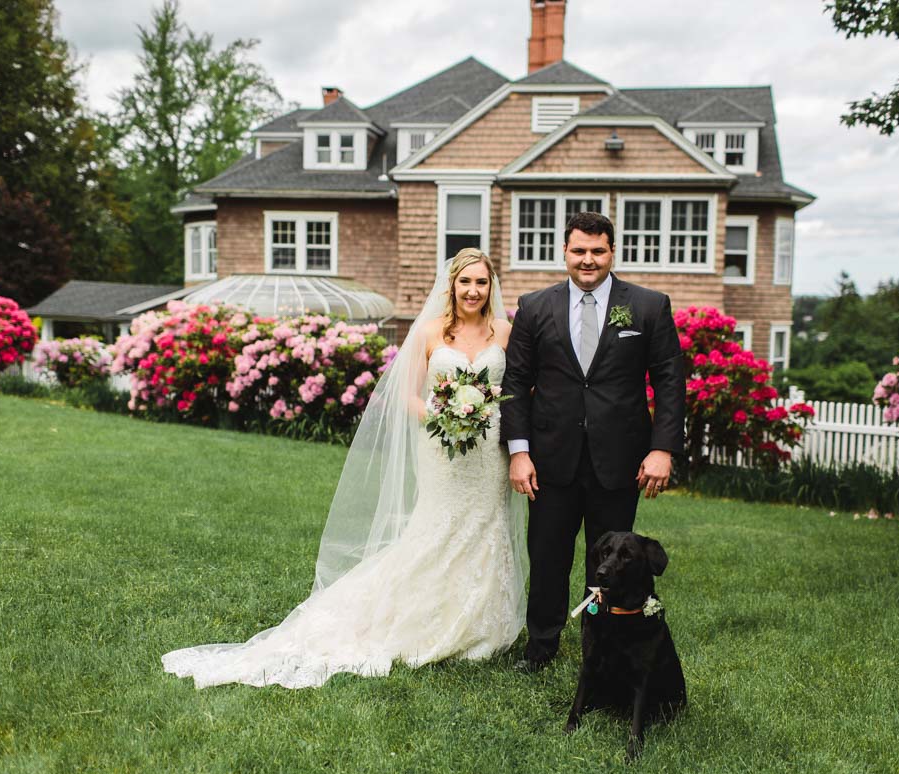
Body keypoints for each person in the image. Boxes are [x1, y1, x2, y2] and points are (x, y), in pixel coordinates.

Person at [162, 249, 526, 689]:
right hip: (442, 449)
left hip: (489, 453)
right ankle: (418, 619)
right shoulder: (430, 332)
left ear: (491, 287)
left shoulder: (506, 333)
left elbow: (521, 391)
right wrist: (442, 414)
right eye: (464, 282)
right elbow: (406, 395)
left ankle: (479, 627)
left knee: (486, 527)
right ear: (451, 286)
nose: (473, 290)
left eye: (481, 283)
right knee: (438, 530)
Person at [501, 211, 686, 671]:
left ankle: (601, 644)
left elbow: (669, 381)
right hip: (549, 459)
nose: (588, 260)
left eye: (597, 251)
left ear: (611, 253)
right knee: (547, 557)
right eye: (579, 250)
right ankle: (540, 647)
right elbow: (515, 382)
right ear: (564, 252)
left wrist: (661, 449)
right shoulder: (534, 307)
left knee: (611, 561)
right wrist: (519, 452)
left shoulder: (647, 306)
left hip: (619, 459)